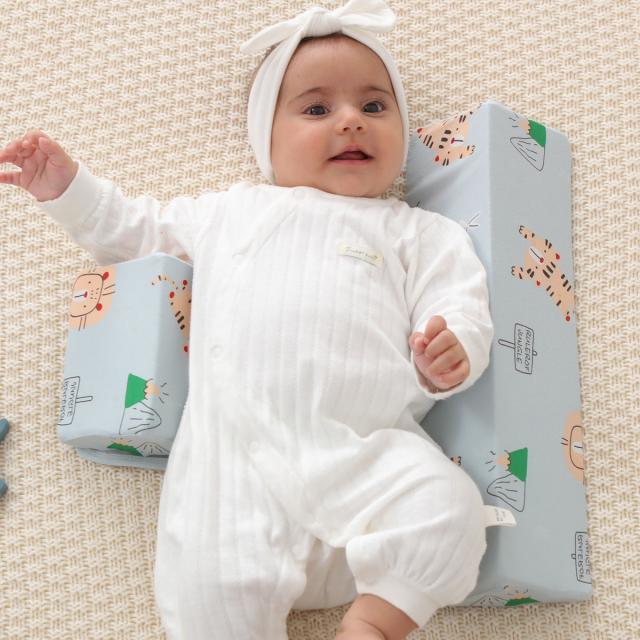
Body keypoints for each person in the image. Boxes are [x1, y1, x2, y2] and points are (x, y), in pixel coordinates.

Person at [0, 1, 494, 638]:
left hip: (361, 457)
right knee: (203, 590)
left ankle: (372, 625)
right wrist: (69, 190)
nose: (351, 121)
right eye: (316, 109)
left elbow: (460, 304)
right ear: (267, 139)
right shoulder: (231, 212)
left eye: (375, 106)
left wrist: (453, 350)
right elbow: (134, 233)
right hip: (233, 472)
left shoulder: (420, 233)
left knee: (451, 508)